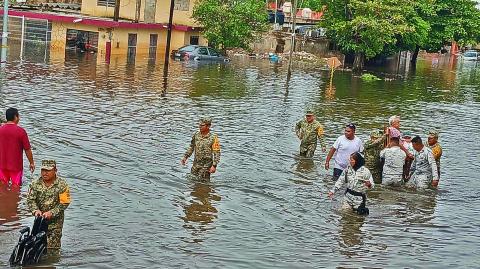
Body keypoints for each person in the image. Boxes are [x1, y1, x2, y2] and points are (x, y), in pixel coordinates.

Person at [26, 160, 71, 251]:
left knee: (52, 249)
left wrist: (52, 212)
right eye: (43, 170)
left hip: (55, 223)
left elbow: (64, 203)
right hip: (40, 221)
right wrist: (35, 210)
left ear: (55, 170)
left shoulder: (62, 185)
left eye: (48, 170)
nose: (45, 173)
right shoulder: (35, 184)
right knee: (37, 246)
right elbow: (30, 200)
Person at [0, 108, 35, 187]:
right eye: (18, 116)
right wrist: (31, 162)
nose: (19, 118)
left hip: (1, 165)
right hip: (16, 166)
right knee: (16, 188)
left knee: (2, 186)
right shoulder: (21, 131)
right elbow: (27, 149)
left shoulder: (0, 130)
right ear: (15, 117)